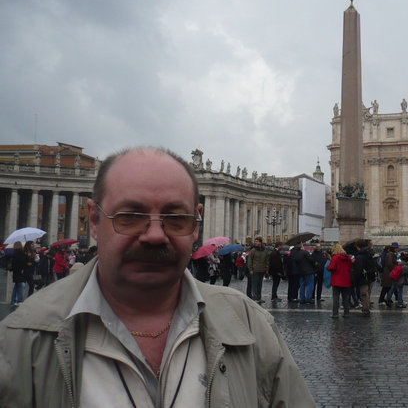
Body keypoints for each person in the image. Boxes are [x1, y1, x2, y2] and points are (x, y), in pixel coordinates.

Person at [0, 147, 314, 407]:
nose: (154, 235)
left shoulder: (253, 325)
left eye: (175, 218)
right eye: (130, 216)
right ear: (94, 221)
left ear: (195, 225)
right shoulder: (16, 340)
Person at [326, 243, 353, 318]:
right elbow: (350, 268)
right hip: (345, 280)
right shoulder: (348, 258)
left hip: (336, 280)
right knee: (345, 297)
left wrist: (328, 266)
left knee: (336, 297)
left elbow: (331, 268)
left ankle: (335, 313)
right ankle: (346, 313)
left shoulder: (335, 258)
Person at [247, 236, 269, 303]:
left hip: (262, 270)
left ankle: (259, 297)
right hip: (255, 270)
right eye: (255, 241)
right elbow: (250, 260)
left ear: (260, 242)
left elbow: (267, 261)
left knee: (260, 284)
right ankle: (255, 298)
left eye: (257, 241)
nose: (255, 242)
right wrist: (250, 269)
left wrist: (267, 269)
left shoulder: (264, 251)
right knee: (254, 284)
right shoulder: (253, 250)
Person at [10, 241, 28, 307]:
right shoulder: (21, 253)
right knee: (21, 285)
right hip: (20, 272)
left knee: (16, 286)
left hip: (16, 272)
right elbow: (25, 261)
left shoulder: (14, 253)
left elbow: (13, 264)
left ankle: (13, 301)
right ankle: (19, 301)